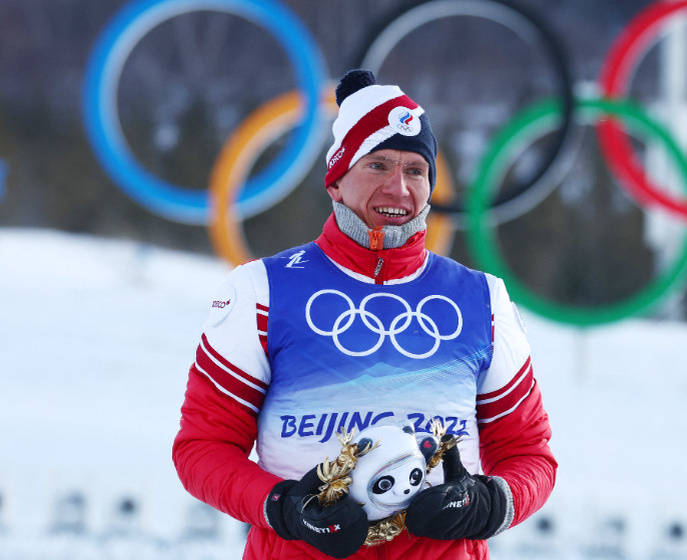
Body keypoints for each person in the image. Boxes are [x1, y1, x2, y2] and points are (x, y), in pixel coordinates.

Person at [172, 69, 556, 559]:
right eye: (378, 165)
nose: (399, 188)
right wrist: (284, 507)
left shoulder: (481, 299)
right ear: (335, 181)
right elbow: (202, 450)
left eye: (415, 171)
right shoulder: (261, 291)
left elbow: (529, 455)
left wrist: (489, 503)